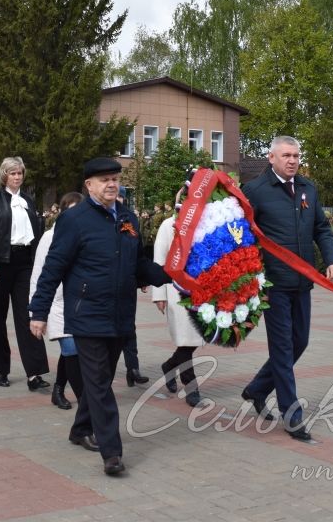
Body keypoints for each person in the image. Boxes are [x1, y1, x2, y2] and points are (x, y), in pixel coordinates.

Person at [29, 157, 170, 476]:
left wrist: (172, 276)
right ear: (89, 185)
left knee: (100, 381)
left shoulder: (129, 218)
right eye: (103, 179)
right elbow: (53, 269)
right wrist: (38, 312)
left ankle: (79, 429)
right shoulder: (74, 220)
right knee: (100, 385)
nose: (111, 183)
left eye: (115, 178)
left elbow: (138, 265)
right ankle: (112, 452)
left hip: (120, 316)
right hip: (87, 316)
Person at [240, 136, 333, 442]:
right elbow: (241, 235)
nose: (293, 160)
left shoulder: (308, 188)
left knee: (300, 341)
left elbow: (321, 228)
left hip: (302, 281)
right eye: (286, 155)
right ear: (270, 158)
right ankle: (291, 413)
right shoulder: (255, 191)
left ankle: (257, 389)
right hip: (273, 284)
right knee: (283, 348)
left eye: (296, 155)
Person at [0, 157, 49, 390]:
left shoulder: (29, 200)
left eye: (19, 173)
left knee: (28, 317)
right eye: (12, 173)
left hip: (25, 265)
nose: (17, 177)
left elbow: (37, 235)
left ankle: (35, 373)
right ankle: (1, 368)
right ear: (4, 175)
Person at [29, 191, 86, 411]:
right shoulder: (50, 237)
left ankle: (59, 388)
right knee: (71, 349)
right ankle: (86, 403)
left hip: (79, 304)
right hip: (56, 304)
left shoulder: (85, 235)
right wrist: (36, 310)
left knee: (71, 351)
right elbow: (39, 273)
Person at [153, 188, 206, 407]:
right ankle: (190, 384)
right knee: (186, 337)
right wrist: (158, 293)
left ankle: (169, 366)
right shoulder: (169, 224)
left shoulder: (206, 222)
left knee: (194, 339)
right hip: (176, 289)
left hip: (202, 290)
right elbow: (159, 258)